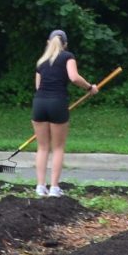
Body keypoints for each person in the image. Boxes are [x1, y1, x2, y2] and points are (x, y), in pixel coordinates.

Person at [31, 29, 97, 197]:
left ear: (48, 42)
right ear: (65, 44)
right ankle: (54, 188)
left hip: (39, 103)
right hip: (57, 103)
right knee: (58, 148)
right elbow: (74, 77)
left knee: (42, 147)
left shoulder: (41, 62)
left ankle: (40, 187)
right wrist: (90, 88)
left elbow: (38, 87)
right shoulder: (67, 56)